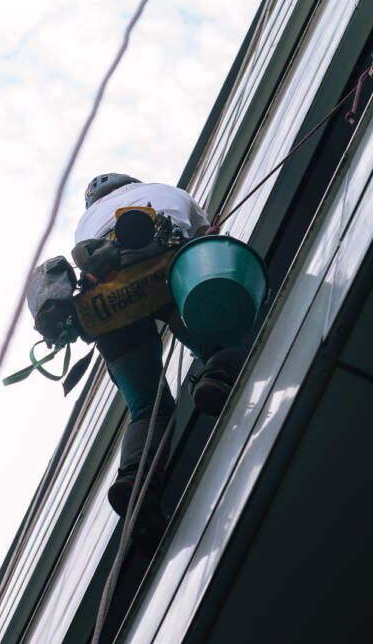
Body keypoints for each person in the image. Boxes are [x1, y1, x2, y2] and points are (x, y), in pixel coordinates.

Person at [76, 173, 247, 536]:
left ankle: (135, 482)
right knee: (220, 336)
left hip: (106, 303)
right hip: (165, 268)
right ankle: (215, 374)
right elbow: (207, 242)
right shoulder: (169, 192)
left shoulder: (85, 225)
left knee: (146, 407)